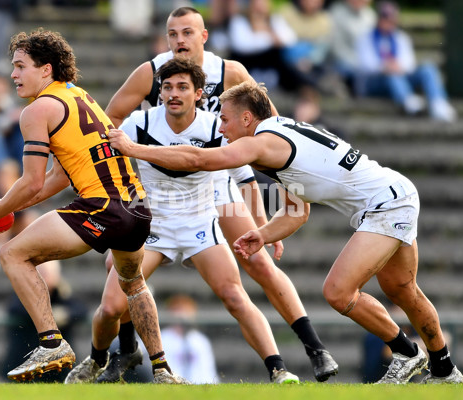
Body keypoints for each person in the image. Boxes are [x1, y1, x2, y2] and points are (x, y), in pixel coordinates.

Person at [108, 80, 463, 385]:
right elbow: (298, 212)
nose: (221, 129)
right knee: (402, 289)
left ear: (248, 118)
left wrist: (133, 148)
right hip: (394, 193)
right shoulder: (282, 136)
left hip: (385, 205)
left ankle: (406, 353)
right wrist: (263, 234)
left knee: (338, 292)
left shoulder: (261, 141)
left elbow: (199, 160)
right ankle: (446, 369)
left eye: (226, 119)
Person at [101, 6, 338, 383]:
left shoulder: (231, 73)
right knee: (119, 271)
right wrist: (125, 181)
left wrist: (283, 198)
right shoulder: (151, 72)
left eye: (187, 32)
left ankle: (315, 349)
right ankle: (127, 347)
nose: (180, 40)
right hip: (163, 180)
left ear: (204, 36)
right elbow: (109, 120)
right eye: (173, 33)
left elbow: (273, 133)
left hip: (221, 172)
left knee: (258, 262)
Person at [0, 28, 186, 384]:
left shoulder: (37, 110)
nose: (13, 74)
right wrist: (2, 210)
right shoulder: (79, 96)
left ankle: (52, 342)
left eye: (20, 66)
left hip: (102, 208)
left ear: (46, 69)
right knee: (134, 284)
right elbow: (57, 179)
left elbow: (31, 180)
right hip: (138, 211)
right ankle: (162, 370)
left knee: (13, 255)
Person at [66, 58, 299, 385]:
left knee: (234, 295)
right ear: (160, 92)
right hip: (151, 229)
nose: (173, 93)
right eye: (167, 87)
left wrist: (264, 230)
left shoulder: (217, 127)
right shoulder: (138, 122)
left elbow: (246, 175)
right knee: (109, 309)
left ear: (199, 94)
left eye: (182, 87)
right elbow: (103, 160)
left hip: (199, 226)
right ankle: (99, 358)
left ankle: (278, 369)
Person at [354, 1, 457, 122]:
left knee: (428, 68)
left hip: (400, 76)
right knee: (392, 76)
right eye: (385, 17)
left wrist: (397, 66)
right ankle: (407, 100)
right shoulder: (365, 38)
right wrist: (385, 67)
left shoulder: (401, 38)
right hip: (375, 82)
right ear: (379, 19)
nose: (387, 22)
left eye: (391, 18)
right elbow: (365, 65)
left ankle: (438, 103)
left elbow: (409, 64)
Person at [1, 260, 88, 383]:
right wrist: (48, 316)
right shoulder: (25, 292)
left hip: (58, 367)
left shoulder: (62, 294)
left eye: (49, 273)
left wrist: (64, 313)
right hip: (25, 357)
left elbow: (81, 309)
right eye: (43, 273)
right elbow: (15, 309)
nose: (47, 277)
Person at [160, 294, 219, 384]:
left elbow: (208, 371)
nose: (181, 315)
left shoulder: (201, 341)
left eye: (185, 310)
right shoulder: (161, 338)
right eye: (177, 310)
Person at [328, 0, 376, 92]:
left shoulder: (371, 16)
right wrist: (358, 64)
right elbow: (336, 48)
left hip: (365, 64)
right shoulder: (336, 13)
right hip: (340, 63)